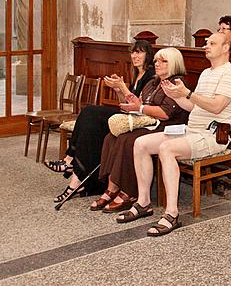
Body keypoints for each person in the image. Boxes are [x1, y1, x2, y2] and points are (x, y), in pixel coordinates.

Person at [117, 32, 231, 236]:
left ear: (226, 47)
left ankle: (172, 213)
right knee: (140, 143)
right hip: (192, 131)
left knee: (167, 149)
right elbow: (193, 107)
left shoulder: (230, 74)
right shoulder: (207, 73)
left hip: (213, 135)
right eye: (206, 43)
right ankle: (143, 202)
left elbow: (217, 107)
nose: (206, 46)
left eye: (212, 43)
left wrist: (187, 93)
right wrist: (176, 95)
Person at [47, 40, 155, 202]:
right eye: (133, 52)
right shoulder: (137, 74)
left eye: (139, 52)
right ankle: (73, 165)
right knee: (89, 121)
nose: (135, 56)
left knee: (90, 112)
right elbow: (125, 103)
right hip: (128, 114)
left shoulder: (150, 75)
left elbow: (139, 106)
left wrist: (122, 87)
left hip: (139, 119)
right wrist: (118, 90)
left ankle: (70, 160)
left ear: (148, 55)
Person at [92, 47, 190, 212]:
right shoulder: (153, 82)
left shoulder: (177, 83)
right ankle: (113, 186)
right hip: (149, 122)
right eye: (156, 61)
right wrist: (120, 91)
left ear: (174, 63)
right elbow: (138, 103)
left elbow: (165, 113)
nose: (157, 64)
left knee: (128, 139)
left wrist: (140, 108)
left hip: (168, 126)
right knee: (112, 136)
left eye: (163, 61)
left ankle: (129, 191)